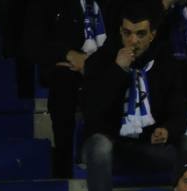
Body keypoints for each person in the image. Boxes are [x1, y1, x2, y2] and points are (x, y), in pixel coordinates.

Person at [80, 0, 187, 191]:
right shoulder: (100, 61)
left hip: (151, 145)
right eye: (127, 33)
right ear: (120, 32)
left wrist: (167, 130)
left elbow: (179, 114)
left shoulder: (166, 63)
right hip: (114, 145)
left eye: (140, 34)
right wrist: (118, 70)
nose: (133, 40)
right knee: (99, 146)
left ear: (152, 35)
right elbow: (92, 115)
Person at [24, 0, 119, 178]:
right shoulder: (47, 5)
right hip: (68, 68)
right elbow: (33, 43)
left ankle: (107, 150)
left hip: (106, 64)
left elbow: (122, 37)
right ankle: (64, 165)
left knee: (116, 77)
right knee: (62, 81)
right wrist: (67, 53)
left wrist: (91, 64)